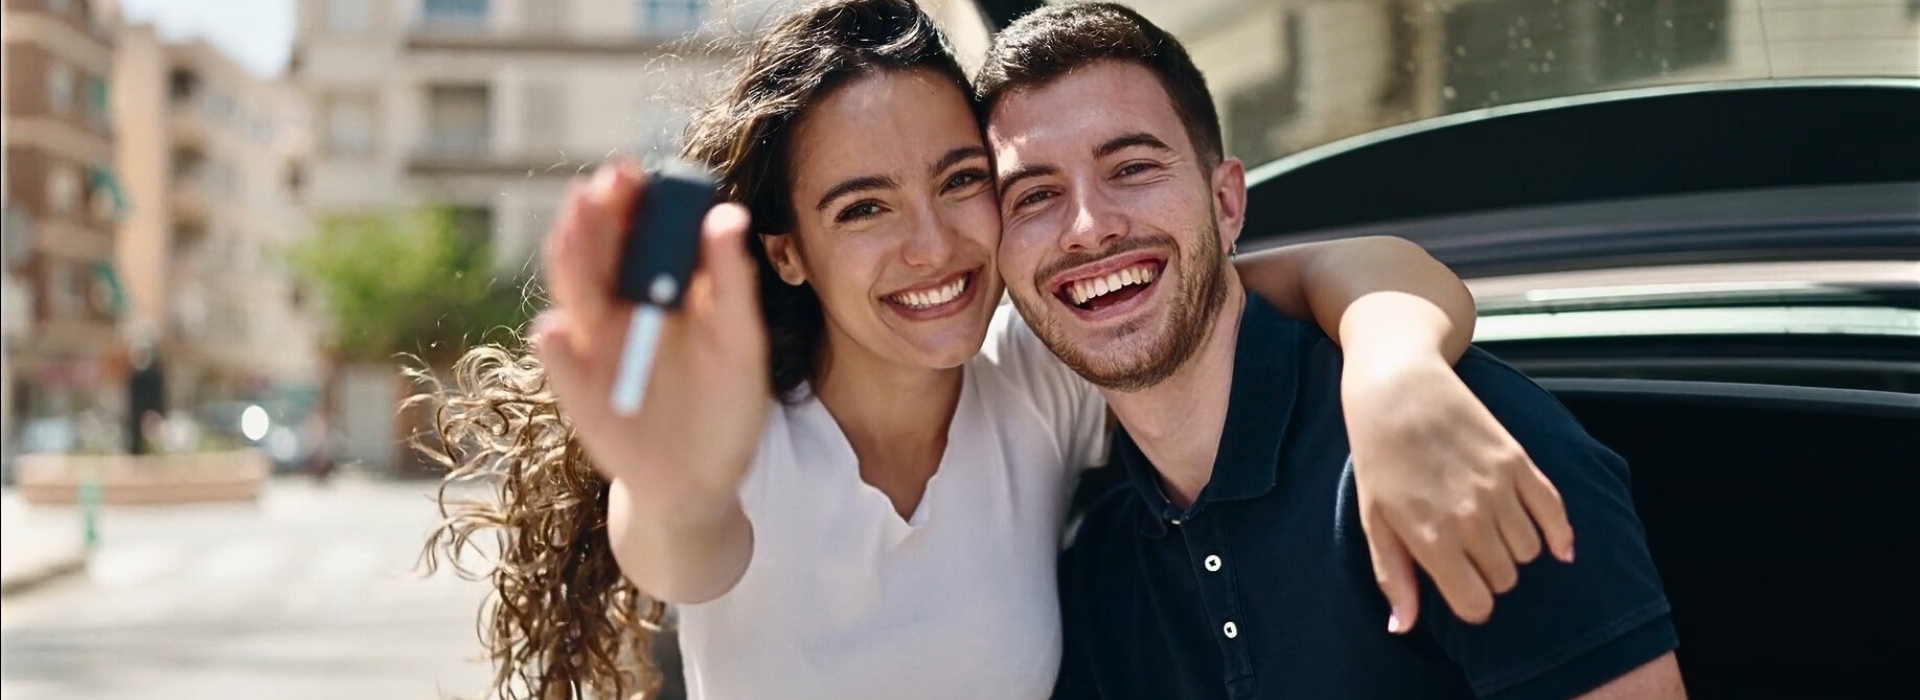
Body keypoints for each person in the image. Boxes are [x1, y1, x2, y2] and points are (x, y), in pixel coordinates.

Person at [418, 1, 1570, 699]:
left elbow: (1341, 271)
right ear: (786, 253)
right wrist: (671, 485)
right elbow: (679, 541)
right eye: (863, 208)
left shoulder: (1037, 376)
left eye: (961, 182)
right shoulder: (728, 439)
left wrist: (1394, 372)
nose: (932, 248)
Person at [974, 5, 1686, 699]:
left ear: (1226, 205)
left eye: (1131, 167)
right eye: (1033, 196)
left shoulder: (1457, 445)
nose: (1089, 228)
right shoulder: (1100, 571)